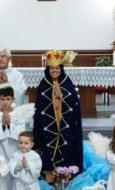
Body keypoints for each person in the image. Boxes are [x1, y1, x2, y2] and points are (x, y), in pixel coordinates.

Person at [33, 50, 83, 179]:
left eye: (57, 68)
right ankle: (49, 171)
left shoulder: (67, 83)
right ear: (47, 69)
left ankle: (65, 172)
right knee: (48, 144)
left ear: (61, 69)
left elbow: (74, 103)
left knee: (65, 144)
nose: (54, 71)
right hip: (48, 124)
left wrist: (62, 96)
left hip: (65, 122)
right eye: (51, 68)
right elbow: (39, 105)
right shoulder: (43, 84)